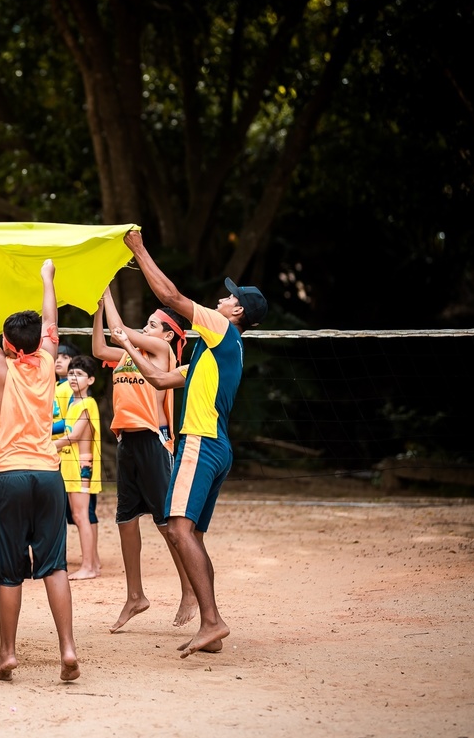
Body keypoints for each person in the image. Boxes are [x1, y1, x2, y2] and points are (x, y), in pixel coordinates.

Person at [117, 229, 267, 658]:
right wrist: (130, 344)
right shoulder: (212, 352)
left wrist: (139, 249)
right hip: (218, 447)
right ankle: (210, 627)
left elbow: (172, 295)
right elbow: (163, 379)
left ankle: (213, 621)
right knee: (192, 534)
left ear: (236, 310)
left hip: (200, 442)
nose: (221, 298)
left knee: (179, 531)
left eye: (228, 296)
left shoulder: (221, 328)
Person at [0, 259, 80, 683]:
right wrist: (49, 277)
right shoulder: (49, 363)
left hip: (10, 476)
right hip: (49, 474)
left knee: (10, 571)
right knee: (55, 566)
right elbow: (52, 320)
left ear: (8, 345)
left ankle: (7, 655)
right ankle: (67, 648)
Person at [94, 287, 195, 632]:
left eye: (154, 324)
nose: (147, 328)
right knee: (125, 519)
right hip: (126, 441)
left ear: (168, 334)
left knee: (167, 525)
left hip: (153, 441)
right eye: (147, 324)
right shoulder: (127, 355)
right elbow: (98, 347)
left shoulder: (162, 351)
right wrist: (97, 311)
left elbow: (121, 330)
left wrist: (106, 290)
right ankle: (135, 595)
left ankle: (190, 590)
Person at [53, 354, 102, 580]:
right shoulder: (73, 403)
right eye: (71, 373)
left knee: (81, 516)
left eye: (79, 374)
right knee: (79, 514)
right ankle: (91, 564)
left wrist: (47, 445)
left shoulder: (87, 403)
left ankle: (89, 567)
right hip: (69, 465)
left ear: (90, 380)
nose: (73, 377)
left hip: (82, 466)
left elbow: (73, 436)